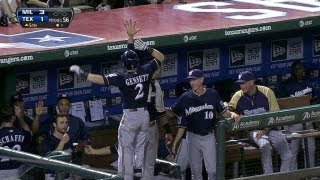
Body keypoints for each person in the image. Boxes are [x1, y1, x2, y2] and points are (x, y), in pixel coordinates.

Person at [70, 19, 164, 180]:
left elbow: (100, 79)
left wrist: (82, 74)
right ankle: (138, 170)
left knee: (125, 147)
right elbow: (161, 57)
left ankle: (127, 176)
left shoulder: (122, 77)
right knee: (140, 144)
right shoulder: (146, 69)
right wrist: (141, 44)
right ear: (137, 62)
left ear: (124, 64)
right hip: (144, 116)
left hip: (131, 116)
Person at [166, 69, 240, 180]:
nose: (192, 82)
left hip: (208, 136)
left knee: (213, 171)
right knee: (196, 172)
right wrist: (159, 111)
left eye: (194, 79)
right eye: (190, 80)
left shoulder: (212, 94)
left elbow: (223, 112)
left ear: (201, 79)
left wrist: (232, 114)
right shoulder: (185, 97)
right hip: (192, 137)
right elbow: (172, 113)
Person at [228, 70, 292, 174]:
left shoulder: (266, 91)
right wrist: (228, 108)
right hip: (253, 130)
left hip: (271, 128)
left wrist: (265, 130)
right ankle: (269, 176)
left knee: (287, 154)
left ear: (251, 82)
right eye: (240, 83)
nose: (241, 86)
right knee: (265, 145)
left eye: (243, 83)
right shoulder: (238, 96)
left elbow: (275, 114)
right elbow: (229, 109)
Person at [278, 60, 317, 170]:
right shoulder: (286, 85)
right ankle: (294, 176)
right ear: (292, 71)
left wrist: (316, 121)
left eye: (300, 68)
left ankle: (311, 175)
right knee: (292, 151)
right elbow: (282, 105)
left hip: (308, 120)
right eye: (296, 69)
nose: (299, 71)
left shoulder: (308, 82)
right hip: (294, 122)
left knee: (311, 149)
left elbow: (314, 100)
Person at [0, 105, 32, 179]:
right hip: (18, 172)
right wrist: (19, 117)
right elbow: (29, 132)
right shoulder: (21, 132)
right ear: (13, 117)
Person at [41, 114, 73, 180]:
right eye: (61, 122)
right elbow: (51, 161)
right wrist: (62, 142)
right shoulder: (47, 141)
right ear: (55, 125)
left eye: (66, 122)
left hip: (67, 174)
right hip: (52, 176)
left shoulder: (68, 139)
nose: (65, 125)